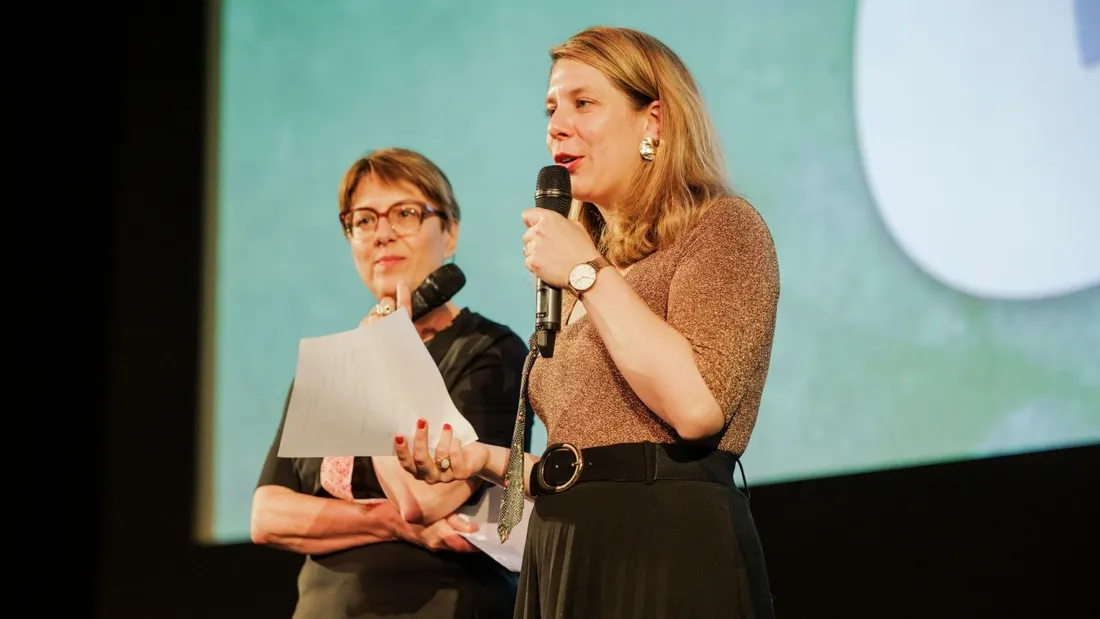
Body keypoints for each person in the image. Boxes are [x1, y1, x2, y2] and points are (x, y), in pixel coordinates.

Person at [394, 27, 781, 618]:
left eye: (583, 103)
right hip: (565, 549)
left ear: (653, 121)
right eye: (551, 108)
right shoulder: (586, 269)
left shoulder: (721, 228)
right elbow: (589, 459)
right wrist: (483, 460)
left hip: (664, 547)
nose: (557, 125)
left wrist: (587, 272)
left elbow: (697, 408)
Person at [251, 147, 531, 619]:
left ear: (450, 232)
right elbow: (268, 515)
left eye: (405, 213)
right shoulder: (336, 362)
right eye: (363, 220)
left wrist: (385, 355)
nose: (382, 233)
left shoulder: (490, 349)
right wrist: (386, 521)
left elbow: (423, 499)